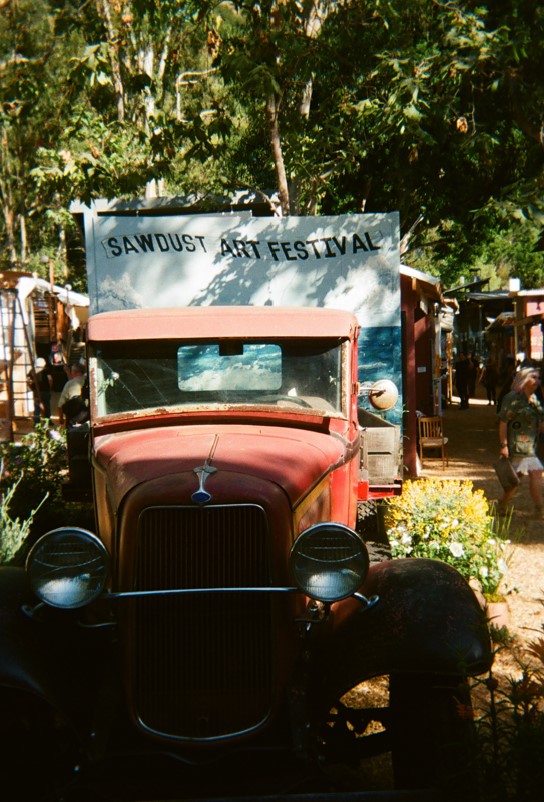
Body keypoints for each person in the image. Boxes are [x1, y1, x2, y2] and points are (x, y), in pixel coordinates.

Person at [498, 367, 544, 518]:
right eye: (534, 377)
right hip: (518, 445)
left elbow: (540, 421)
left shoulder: (534, 399)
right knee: (536, 473)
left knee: (516, 478)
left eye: (539, 378)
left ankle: (502, 505)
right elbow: (503, 422)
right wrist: (504, 445)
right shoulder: (512, 398)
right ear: (524, 379)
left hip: (531, 445)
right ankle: (539, 510)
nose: (537, 381)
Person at [58, 362, 88, 427]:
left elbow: (61, 404)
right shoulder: (88, 381)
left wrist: (61, 418)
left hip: (73, 417)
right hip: (87, 416)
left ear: (74, 372)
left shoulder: (69, 384)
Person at [27, 357, 53, 423]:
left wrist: (31, 388)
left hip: (36, 391)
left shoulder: (32, 371)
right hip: (45, 391)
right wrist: (50, 388)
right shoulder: (46, 370)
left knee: (37, 407)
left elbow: (27, 380)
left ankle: (36, 422)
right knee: (47, 406)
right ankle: (48, 421)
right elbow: (50, 379)